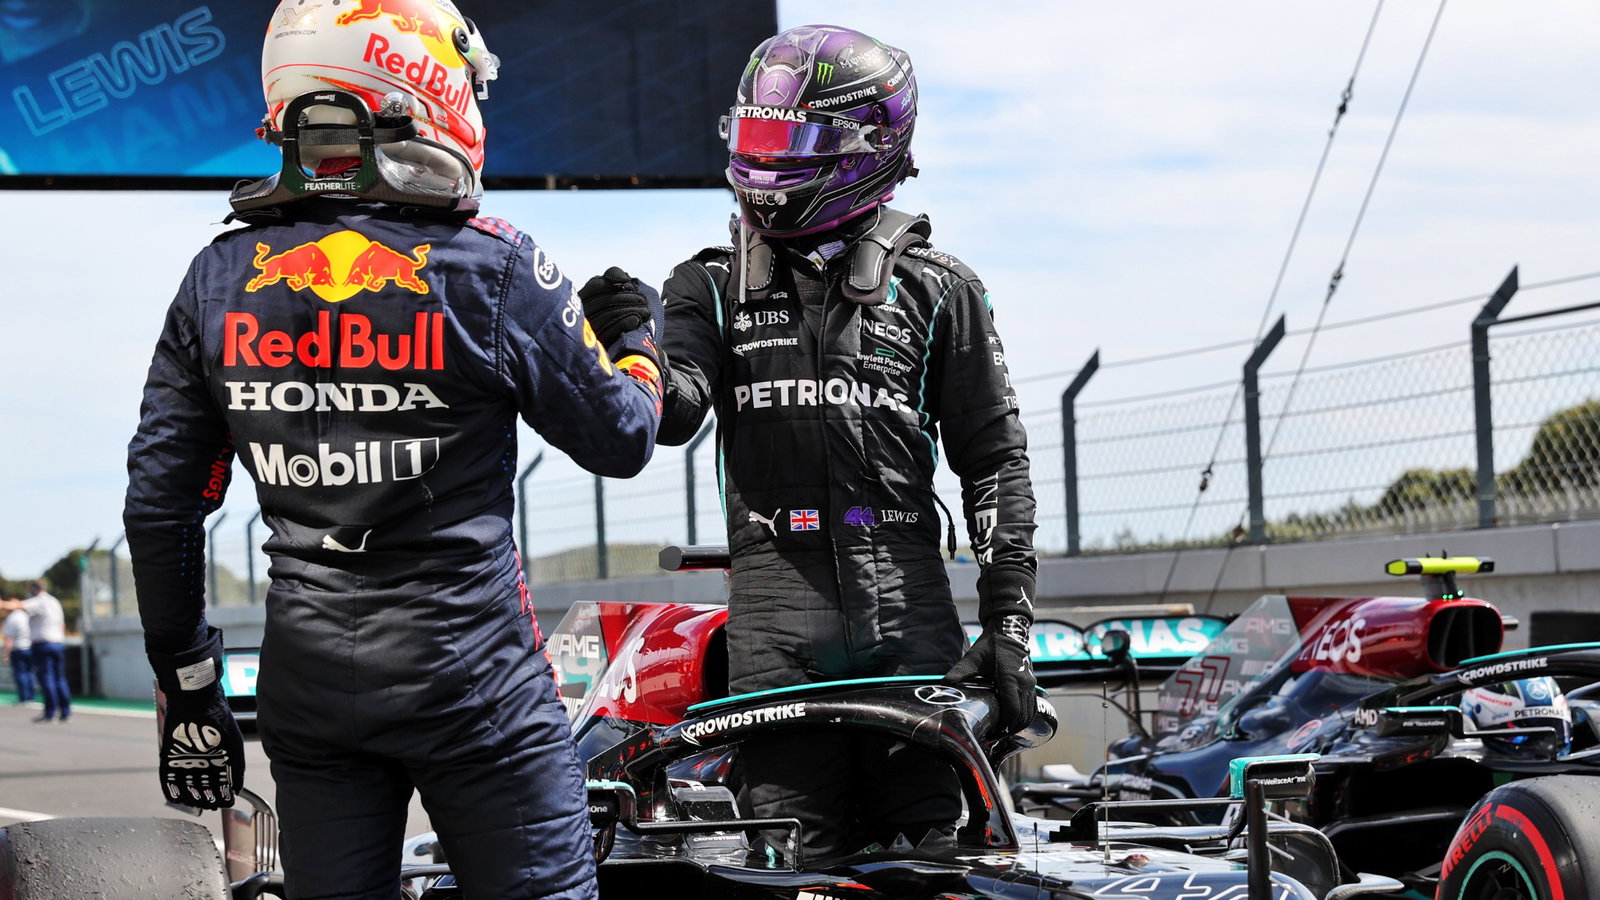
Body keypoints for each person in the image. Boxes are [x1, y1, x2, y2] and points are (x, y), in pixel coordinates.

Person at [123, 2, 666, 897]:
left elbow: (162, 505)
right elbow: (623, 436)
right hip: (476, 684)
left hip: (310, 686)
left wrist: (187, 687)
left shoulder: (216, 277)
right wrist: (638, 344)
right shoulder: (491, 267)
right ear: (418, 84)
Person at [644, 23, 1038, 862]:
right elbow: (674, 415)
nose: (767, 161)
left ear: (868, 145)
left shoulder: (940, 288)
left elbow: (995, 459)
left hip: (912, 640)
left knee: (934, 871)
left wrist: (1008, 628)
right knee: (790, 874)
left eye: (791, 141)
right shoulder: (708, 283)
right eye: (758, 135)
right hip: (775, 648)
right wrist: (630, 350)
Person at [4, 582, 70, 722]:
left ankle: (50, 713)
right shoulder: (55, 602)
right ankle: (65, 712)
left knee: (47, 679)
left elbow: (18, 605)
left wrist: (4, 604)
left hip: (43, 645)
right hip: (57, 643)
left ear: (34, 589)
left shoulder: (40, 601)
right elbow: (62, 624)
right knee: (59, 678)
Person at [3, 599, 34, 705]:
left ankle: (24, 698)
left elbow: (9, 638)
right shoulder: (25, 616)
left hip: (18, 649)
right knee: (29, 674)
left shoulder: (12, 618)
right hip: (29, 648)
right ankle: (30, 697)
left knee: (20, 674)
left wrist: (6, 654)